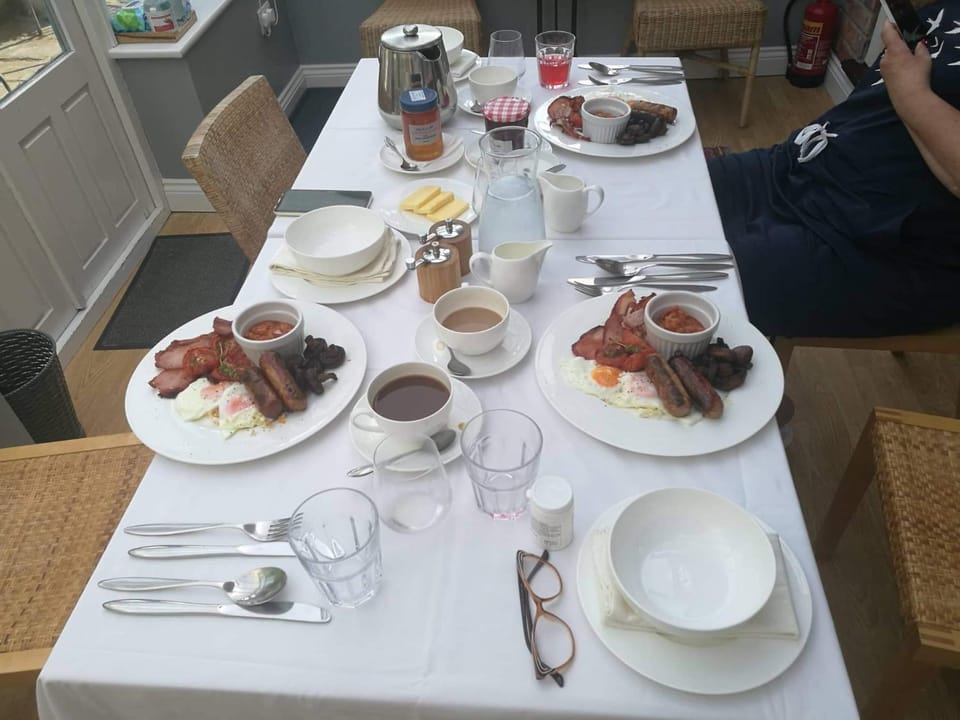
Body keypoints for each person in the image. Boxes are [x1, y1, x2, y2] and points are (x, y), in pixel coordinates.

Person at [708, 0, 960, 338]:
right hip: (796, 168)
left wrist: (912, 93)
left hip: (877, 247)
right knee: (659, 192)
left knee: (687, 285)